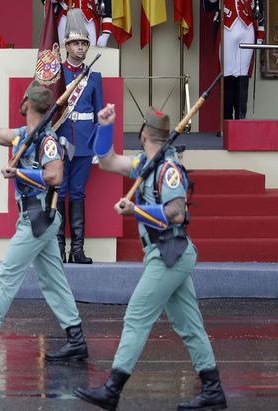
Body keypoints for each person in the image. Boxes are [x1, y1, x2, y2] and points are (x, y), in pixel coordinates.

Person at [74, 105, 226, 411]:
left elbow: (177, 212)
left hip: (170, 252)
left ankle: (112, 390)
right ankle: (213, 390)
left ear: (143, 134)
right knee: (190, 325)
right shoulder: (145, 164)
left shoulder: (168, 170)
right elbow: (107, 161)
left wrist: (136, 211)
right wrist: (105, 126)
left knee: (137, 316)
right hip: (165, 252)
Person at [0, 81, 88, 363]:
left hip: (37, 219)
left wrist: (20, 175)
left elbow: (55, 176)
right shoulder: (24, 134)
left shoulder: (46, 140)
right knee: (53, 282)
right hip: (36, 218)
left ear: (26, 103)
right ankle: (76, 340)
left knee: (5, 277)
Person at [56, 11, 103, 264]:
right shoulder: (58, 73)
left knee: (78, 193)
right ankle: (58, 250)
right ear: (67, 46)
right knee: (60, 191)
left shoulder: (94, 78)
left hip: (84, 141)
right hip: (62, 139)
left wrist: (97, 146)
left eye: (84, 43)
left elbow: (99, 113)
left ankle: (77, 250)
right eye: (76, 43)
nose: (81, 48)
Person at [203, 0, 264, 121]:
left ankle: (241, 121)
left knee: (243, 74)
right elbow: (207, 5)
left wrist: (260, 33)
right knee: (227, 73)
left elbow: (259, 3)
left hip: (247, 27)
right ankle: (227, 122)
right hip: (226, 26)